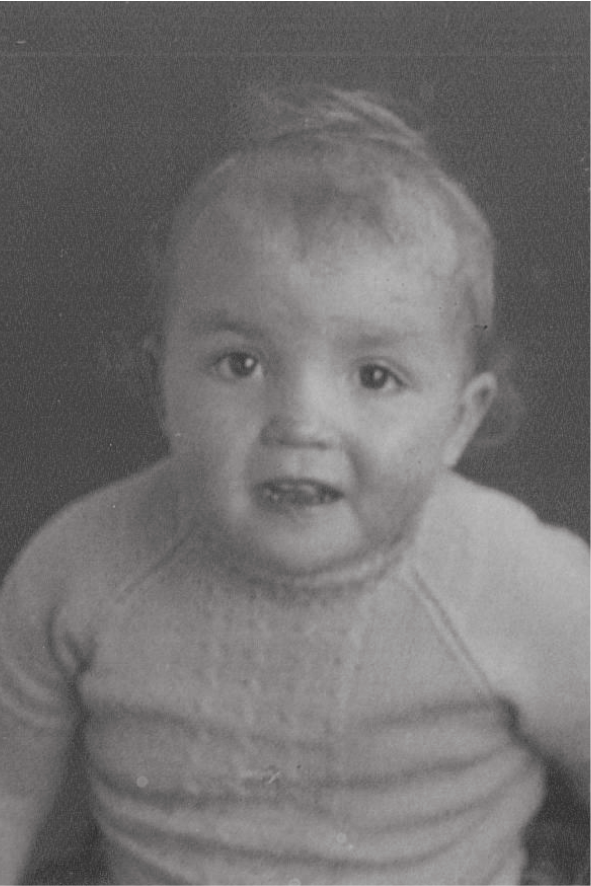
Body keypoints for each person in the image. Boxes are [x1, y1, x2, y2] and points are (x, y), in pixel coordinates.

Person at [1, 84, 591, 886]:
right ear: (160, 384)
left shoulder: (522, 585)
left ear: (458, 420)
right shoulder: (77, 570)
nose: (300, 422)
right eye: (239, 363)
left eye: (375, 376)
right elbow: (8, 793)